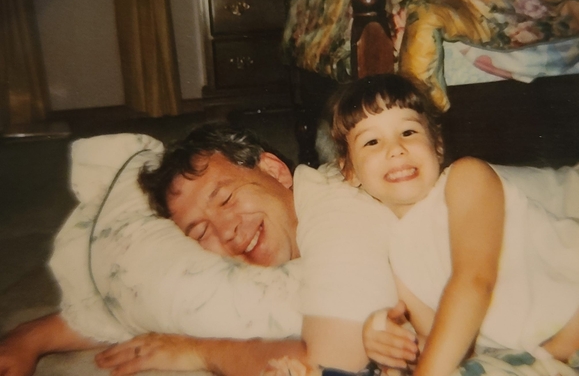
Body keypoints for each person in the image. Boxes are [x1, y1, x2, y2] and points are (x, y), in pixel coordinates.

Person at [1, 121, 578, 376]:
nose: (225, 232)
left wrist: (202, 353)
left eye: (226, 197)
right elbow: (164, 291)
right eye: (199, 232)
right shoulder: (285, 254)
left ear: (275, 170)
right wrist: (34, 337)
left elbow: (332, 366)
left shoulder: (338, 208)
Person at [329, 73, 579, 376]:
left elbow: (474, 281)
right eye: (372, 141)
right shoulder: (398, 258)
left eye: (408, 132)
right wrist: (392, 343)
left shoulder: (466, 178)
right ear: (349, 171)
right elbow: (453, 347)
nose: (395, 149)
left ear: (437, 146)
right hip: (544, 351)